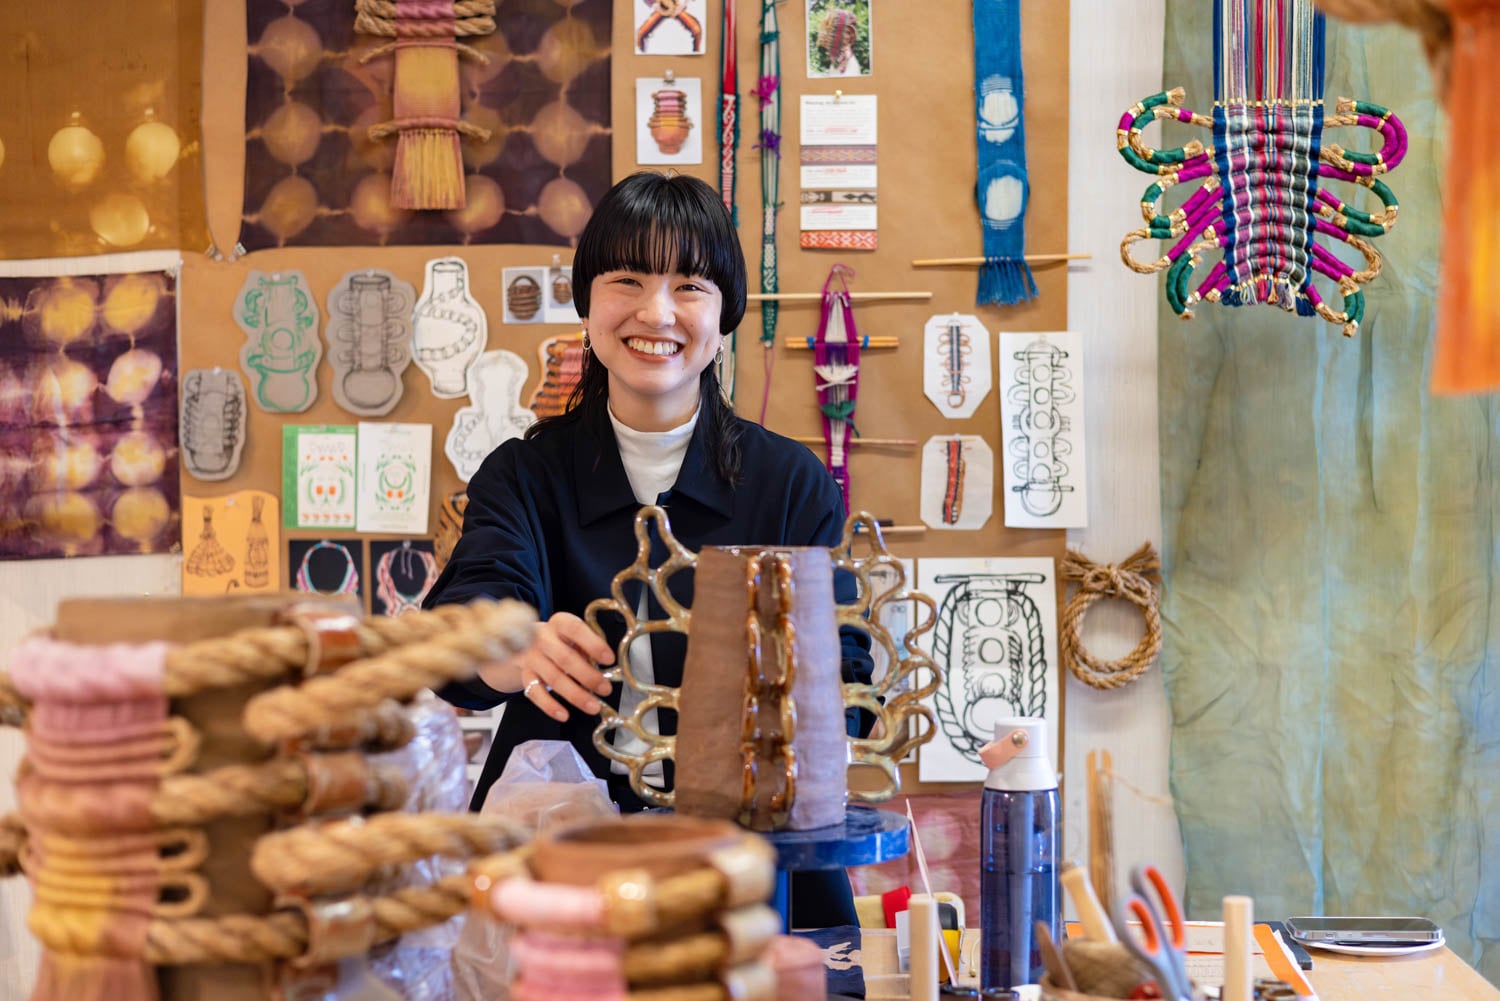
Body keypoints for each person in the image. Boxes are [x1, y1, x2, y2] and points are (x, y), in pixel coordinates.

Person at [425, 171, 873, 927]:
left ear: (725, 310)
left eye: (689, 284)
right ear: (588, 300)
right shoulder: (525, 474)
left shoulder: (789, 484)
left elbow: (852, 684)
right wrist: (513, 647)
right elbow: (461, 628)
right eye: (626, 278)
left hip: (756, 872)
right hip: (561, 862)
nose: (655, 311)